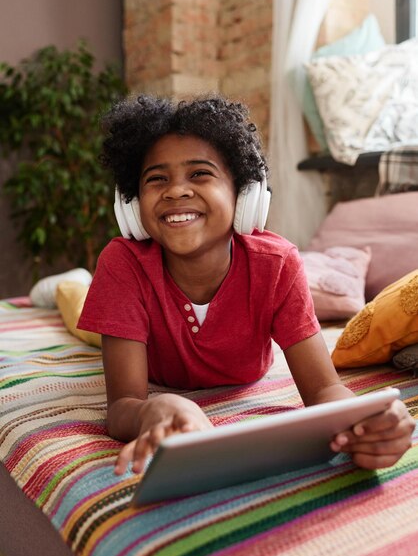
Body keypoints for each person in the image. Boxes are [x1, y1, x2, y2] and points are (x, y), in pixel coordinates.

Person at [77, 94, 414, 477]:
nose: (175, 191)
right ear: (132, 206)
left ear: (245, 196)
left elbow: (324, 391)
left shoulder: (278, 265)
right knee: (78, 318)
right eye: (157, 179)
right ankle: (73, 287)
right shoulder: (123, 263)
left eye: (199, 173)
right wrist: (157, 407)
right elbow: (123, 403)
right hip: (141, 346)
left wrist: (368, 417)